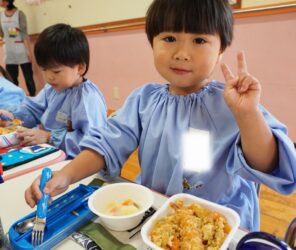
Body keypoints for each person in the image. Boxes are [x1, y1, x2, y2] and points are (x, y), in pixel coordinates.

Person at [25, 0, 296, 231]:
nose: (182, 53)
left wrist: (248, 116)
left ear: (221, 49)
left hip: (216, 223)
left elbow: (269, 163)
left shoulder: (231, 102)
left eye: (199, 40)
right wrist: (66, 175)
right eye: (169, 38)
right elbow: (105, 145)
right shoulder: (144, 100)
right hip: (156, 214)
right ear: (152, 42)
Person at [0, 23, 107, 159]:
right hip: (51, 152)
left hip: (76, 163)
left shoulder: (87, 98)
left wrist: (49, 136)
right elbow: (33, 109)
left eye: (56, 71)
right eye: (44, 69)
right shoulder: (52, 88)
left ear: (80, 68)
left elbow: (90, 141)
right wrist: (12, 116)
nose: (49, 77)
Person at [0, 0, 36, 96]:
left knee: (28, 77)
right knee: (12, 78)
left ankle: (33, 97)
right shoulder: (0, 15)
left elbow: (24, 34)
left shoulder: (20, 14)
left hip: (21, 49)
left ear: (7, 1)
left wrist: (29, 52)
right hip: (9, 50)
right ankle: (15, 99)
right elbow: (1, 33)